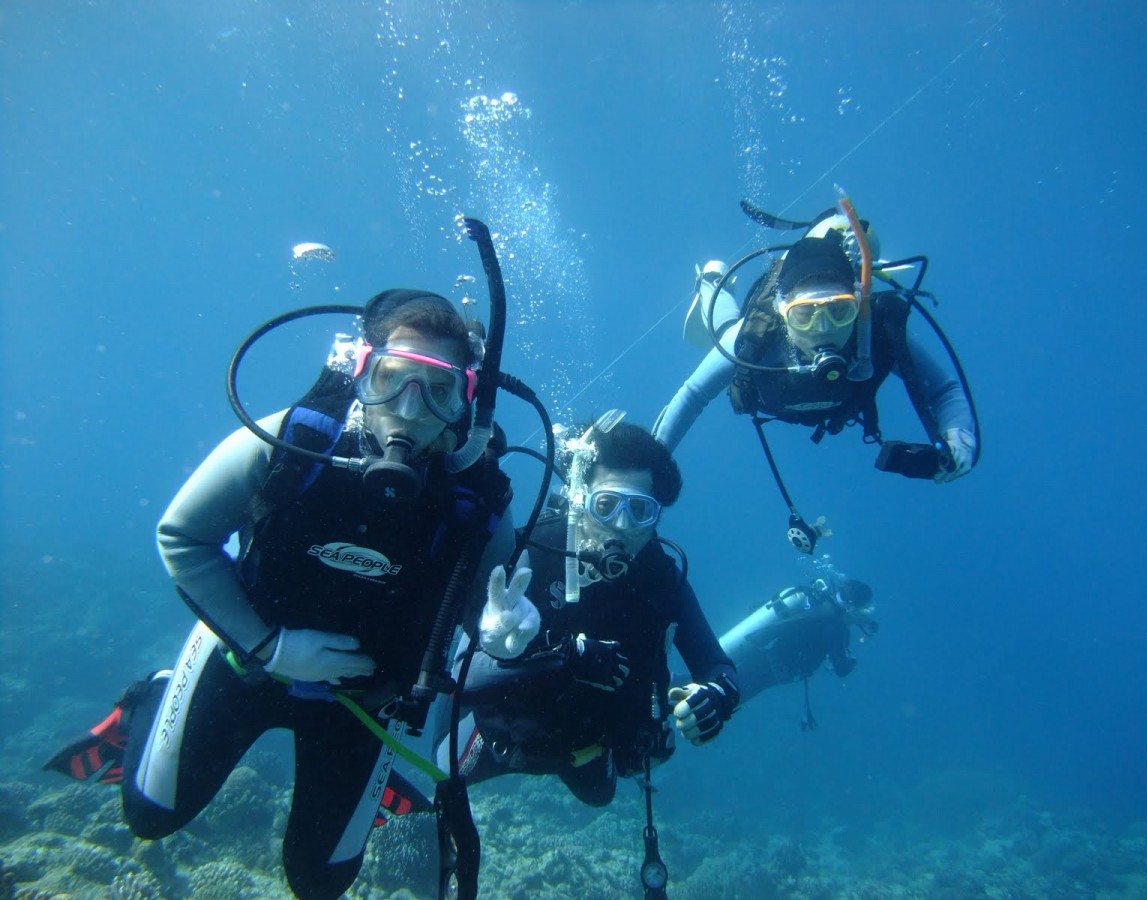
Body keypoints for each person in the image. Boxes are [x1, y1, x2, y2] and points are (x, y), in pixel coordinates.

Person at [46, 288, 542, 900]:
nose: (408, 412)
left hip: (364, 699)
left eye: (437, 390)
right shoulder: (291, 442)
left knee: (319, 882)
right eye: (391, 379)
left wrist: (500, 633)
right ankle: (153, 699)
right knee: (150, 819)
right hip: (241, 660)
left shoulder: (478, 500)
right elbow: (181, 537)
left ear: (465, 401)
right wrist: (266, 646)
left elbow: (483, 609)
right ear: (359, 371)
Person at [434, 418, 739, 808]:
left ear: (657, 515)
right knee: (441, 771)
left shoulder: (661, 577)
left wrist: (716, 696)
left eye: (641, 510)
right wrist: (568, 658)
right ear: (580, 498)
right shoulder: (537, 550)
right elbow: (466, 679)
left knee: (600, 798)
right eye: (607, 505)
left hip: (588, 746)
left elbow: (717, 666)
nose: (623, 527)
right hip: (507, 739)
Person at [653, 206, 979, 551]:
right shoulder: (753, 337)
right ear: (781, 310)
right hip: (761, 364)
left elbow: (943, 389)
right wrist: (649, 469)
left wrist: (959, 439)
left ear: (859, 305)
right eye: (804, 315)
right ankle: (711, 283)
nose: (823, 331)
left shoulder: (877, 332)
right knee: (722, 328)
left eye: (840, 312)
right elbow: (692, 396)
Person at [719, 575, 878, 728]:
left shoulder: (816, 599)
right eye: (864, 609)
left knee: (721, 682)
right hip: (775, 669)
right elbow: (841, 668)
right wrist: (852, 661)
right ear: (853, 606)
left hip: (762, 653)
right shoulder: (837, 626)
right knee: (723, 699)